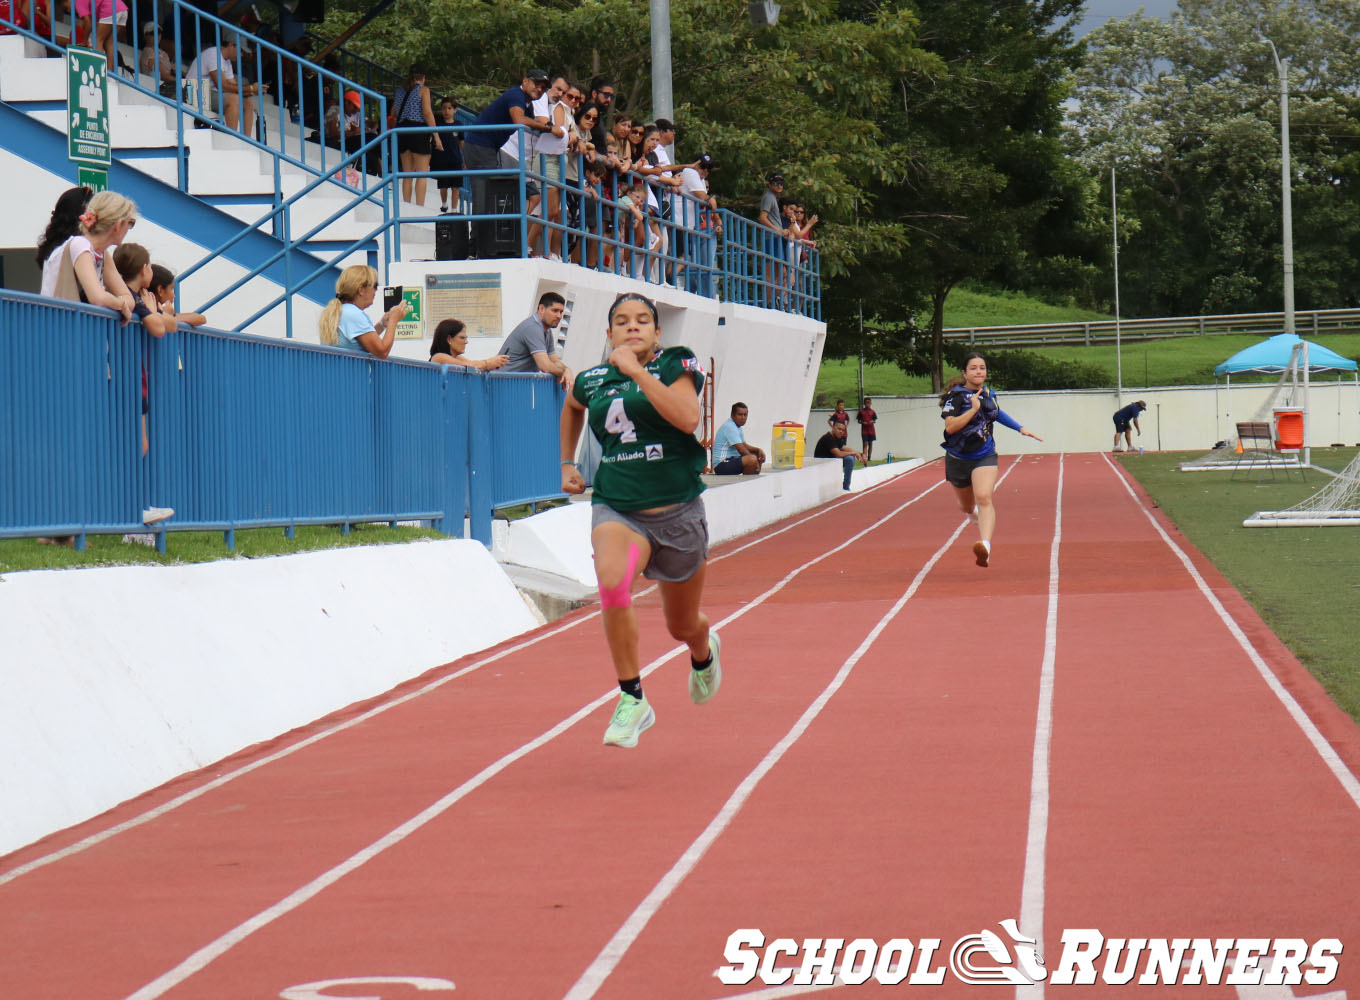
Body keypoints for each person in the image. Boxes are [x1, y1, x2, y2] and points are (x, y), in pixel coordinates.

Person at [559, 292, 722, 748]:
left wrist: (635, 372)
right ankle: (633, 698)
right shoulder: (592, 379)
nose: (633, 327)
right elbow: (572, 405)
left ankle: (703, 650)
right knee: (612, 584)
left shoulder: (677, 364)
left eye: (643, 321)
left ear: (657, 332)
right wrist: (566, 463)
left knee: (682, 625)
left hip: (678, 511)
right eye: (623, 321)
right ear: (608, 333)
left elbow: (688, 419)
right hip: (618, 507)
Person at [939, 353, 1043, 568]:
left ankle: (985, 546)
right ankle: (972, 514)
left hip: (984, 454)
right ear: (964, 372)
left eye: (982, 368)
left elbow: (996, 413)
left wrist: (1020, 428)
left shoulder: (988, 393)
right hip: (958, 457)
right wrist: (973, 409)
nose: (979, 372)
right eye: (974, 368)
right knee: (965, 506)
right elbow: (950, 427)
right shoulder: (955, 396)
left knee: (984, 496)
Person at [462, 70, 555, 230]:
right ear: (525, 81)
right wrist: (548, 129)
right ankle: (477, 244)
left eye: (543, 88)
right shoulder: (516, 95)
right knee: (484, 194)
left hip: (488, 148)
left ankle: (482, 243)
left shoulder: (526, 102)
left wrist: (552, 130)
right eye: (536, 84)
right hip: (480, 146)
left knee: (489, 194)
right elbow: (519, 120)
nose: (539, 89)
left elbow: (533, 122)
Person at [40, 189, 136, 321]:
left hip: (63, 324)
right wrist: (121, 304)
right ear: (119, 225)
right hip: (58, 327)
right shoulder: (80, 245)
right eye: (130, 223)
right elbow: (98, 298)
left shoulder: (101, 253)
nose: (128, 229)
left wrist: (119, 303)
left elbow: (128, 298)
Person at [318, 264, 408, 358]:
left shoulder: (340, 311)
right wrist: (394, 320)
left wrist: (381, 325)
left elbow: (362, 341)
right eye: (374, 286)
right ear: (361, 290)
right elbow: (382, 351)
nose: (375, 291)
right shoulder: (353, 314)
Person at [186, 36, 265, 139]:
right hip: (192, 91)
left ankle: (247, 141)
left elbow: (234, 88)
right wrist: (250, 88)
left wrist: (253, 91)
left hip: (206, 92)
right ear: (232, 45)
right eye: (240, 51)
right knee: (233, 99)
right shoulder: (214, 54)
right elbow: (222, 85)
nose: (241, 55)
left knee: (248, 102)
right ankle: (231, 140)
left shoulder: (226, 61)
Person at [393, 64, 442, 207]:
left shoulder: (399, 91)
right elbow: (427, 112)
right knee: (421, 174)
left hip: (402, 131)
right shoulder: (423, 90)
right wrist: (436, 136)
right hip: (418, 131)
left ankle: (406, 206)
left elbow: (394, 113)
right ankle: (419, 208)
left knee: (407, 174)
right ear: (424, 77)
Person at [497, 291, 569, 386]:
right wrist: (563, 373)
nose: (559, 316)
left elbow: (554, 361)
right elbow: (545, 366)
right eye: (554, 311)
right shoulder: (532, 328)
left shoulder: (547, 331)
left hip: (516, 385)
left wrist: (567, 370)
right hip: (503, 384)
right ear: (542, 309)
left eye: (561, 312)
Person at [429, 318, 507, 370]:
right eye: (462, 338)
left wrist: (494, 365)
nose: (466, 342)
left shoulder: (458, 358)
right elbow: (468, 366)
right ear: (449, 339)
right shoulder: (438, 357)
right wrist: (488, 363)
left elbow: (473, 364)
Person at [431, 95, 464, 214]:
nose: (446, 111)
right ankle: (444, 204)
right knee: (443, 186)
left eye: (450, 108)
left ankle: (454, 210)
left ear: (455, 110)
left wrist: (465, 159)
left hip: (455, 160)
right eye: (444, 108)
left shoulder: (459, 124)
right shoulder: (438, 124)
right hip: (442, 160)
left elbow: (462, 142)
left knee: (456, 187)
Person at [712, 401, 764, 475]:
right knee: (752, 459)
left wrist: (758, 450)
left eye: (745, 415)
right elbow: (741, 450)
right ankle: (746, 481)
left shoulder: (737, 426)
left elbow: (744, 445)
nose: (743, 418)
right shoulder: (730, 426)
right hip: (721, 464)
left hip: (732, 459)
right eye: (740, 415)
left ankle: (749, 478)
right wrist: (755, 462)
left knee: (756, 455)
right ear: (732, 415)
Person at [813, 421, 863, 491]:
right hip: (822, 465)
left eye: (843, 430)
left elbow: (844, 448)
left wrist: (860, 454)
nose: (841, 431)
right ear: (833, 428)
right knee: (849, 459)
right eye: (839, 429)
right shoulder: (828, 438)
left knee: (850, 457)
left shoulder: (837, 437)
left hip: (830, 462)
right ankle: (845, 488)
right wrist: (854, 453)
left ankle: (845, 486)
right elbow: (839, 454)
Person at [856, 397, 877, 462]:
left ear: (870, 403)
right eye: (866, 403)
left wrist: (872, 421)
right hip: (864, 430)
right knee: (865, 444)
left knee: (870, 443)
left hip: (871, 429)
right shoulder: (861, 412)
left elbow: (874, 420)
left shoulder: (873, 411)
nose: (868, 404)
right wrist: (862, 422)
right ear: (864, 403)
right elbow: (858, 421)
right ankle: (864, 457)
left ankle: (869, 458)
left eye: (869, 403)